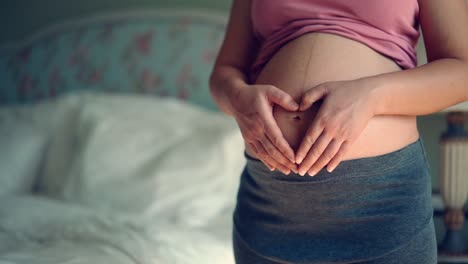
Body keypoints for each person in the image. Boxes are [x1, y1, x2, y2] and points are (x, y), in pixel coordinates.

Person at [209, 0, 468, 263]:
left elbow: (462, 70)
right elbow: (225, 71)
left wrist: (371, 96)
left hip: (381, 209)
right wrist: (238, 97)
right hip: (270, 206)